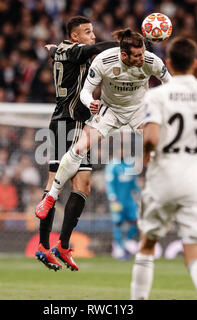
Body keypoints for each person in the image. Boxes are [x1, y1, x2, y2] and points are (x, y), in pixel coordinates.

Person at [35, 28, 172, 270]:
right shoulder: (104, 60)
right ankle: (52, 197)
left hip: (139, 111)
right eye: (137, 55)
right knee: (80, 148)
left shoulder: (151, 61)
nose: (142, 58)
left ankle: (163, 202)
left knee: (162, 147)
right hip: (109, 110)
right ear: (123, 54)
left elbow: (170, 86)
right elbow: (87, 92)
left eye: (143, 53)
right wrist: (91, 103)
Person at [130, 38, 197, 300]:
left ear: (169, 63)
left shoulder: (157, 95)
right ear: (196, 62)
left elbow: (152, 137)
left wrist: (144, 153)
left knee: (147, 244)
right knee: (194, 254)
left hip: (164, 180)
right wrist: (195, 138)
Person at [34, 16, 120, 272]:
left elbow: (53, 50)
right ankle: (42, 245)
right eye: (87, 32)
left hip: (79, 125)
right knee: (54, 185)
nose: (92, 36)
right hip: (65, 124)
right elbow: (95, 50)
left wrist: (50, 48)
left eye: (93, 32)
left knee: (83, 185)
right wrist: (124, 45)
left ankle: (62, 244)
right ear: (75, 37)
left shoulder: (61, 50)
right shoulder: (75, 52)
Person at [105, 145, 140, 260]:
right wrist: (113, 198)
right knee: (118, 224)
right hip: (116, 201)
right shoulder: (112, 166)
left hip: (129, 202)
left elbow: (134, 183)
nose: (122, 152)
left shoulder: (129, 165)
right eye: (120, 150)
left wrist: (139, 195)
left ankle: (126, 242)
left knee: (136, 222)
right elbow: (109, 184)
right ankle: (119, 247)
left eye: (124, 150)